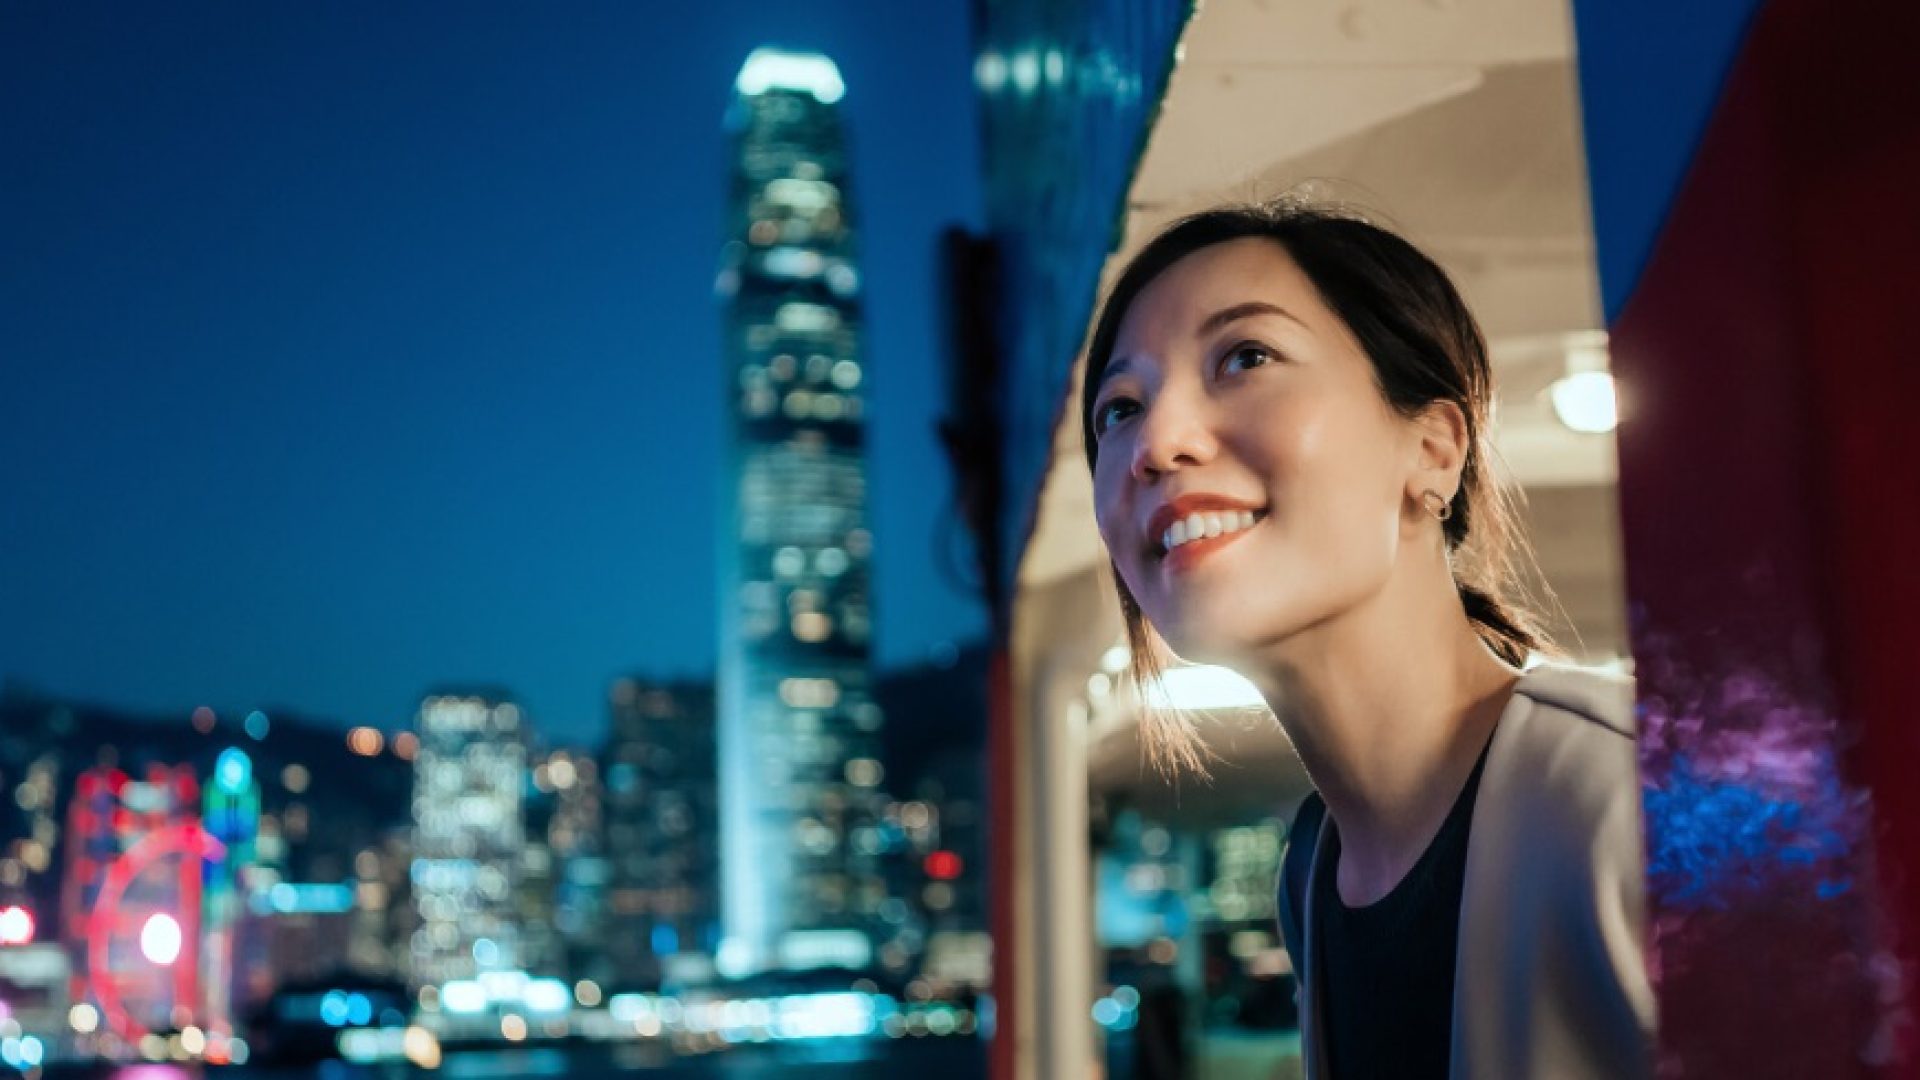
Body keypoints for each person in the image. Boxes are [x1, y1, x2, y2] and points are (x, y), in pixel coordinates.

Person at [1079, 198, 1656, 1078]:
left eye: (1245, 357)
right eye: (1119, 408)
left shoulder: (1630, 799)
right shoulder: (1315, 876)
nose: (1157, 442)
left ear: (1432, 449)